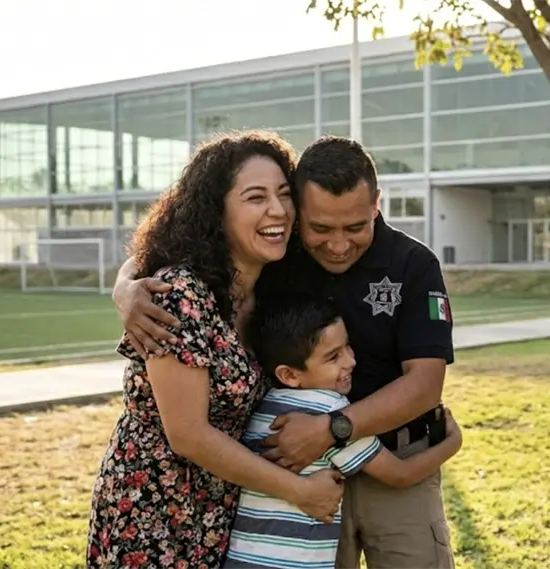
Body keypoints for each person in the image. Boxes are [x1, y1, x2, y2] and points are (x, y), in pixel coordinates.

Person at [113, 135, 457, 569]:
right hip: (286, 474)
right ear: (301, 211)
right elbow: (167, 255)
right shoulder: (276, 258)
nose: (337, 244)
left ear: (376, 204)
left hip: (385, 460)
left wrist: (330, 430)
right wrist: (125, 287)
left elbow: (425, 384)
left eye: (355, 227)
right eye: (320, 228)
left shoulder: (413, 264)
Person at [87, 130, 345, 569]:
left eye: (284, 194)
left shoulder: (270, 293)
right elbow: (188, 434)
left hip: (222, 510)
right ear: (216, 211)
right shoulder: (178, 294)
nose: (277, 209)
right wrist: (299, 491)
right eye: (255, 197)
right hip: (153, 510)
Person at [222, 297, 463, 569]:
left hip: (242, 559)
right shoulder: (329, 409)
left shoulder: (264, 405)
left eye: (347, 345)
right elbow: (399, 474)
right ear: (289, 374)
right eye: (333, 357)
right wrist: (452, 444)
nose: (351, 361)